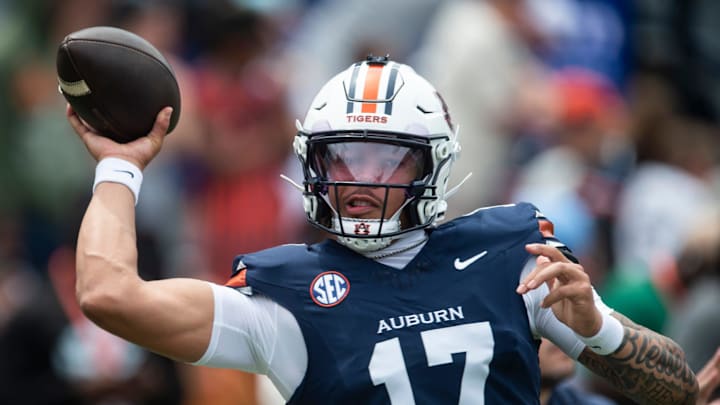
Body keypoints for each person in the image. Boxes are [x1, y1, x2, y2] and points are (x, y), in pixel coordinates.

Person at [67, 55, 699, 404]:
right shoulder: (282, 297)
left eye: (385, 158)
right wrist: (121, 168)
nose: (359, 180)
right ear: (312, 163)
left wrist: (600, 331)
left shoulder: (515, 255)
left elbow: (676, 390)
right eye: (341, 158)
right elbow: (108, 295)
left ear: (435, 162)